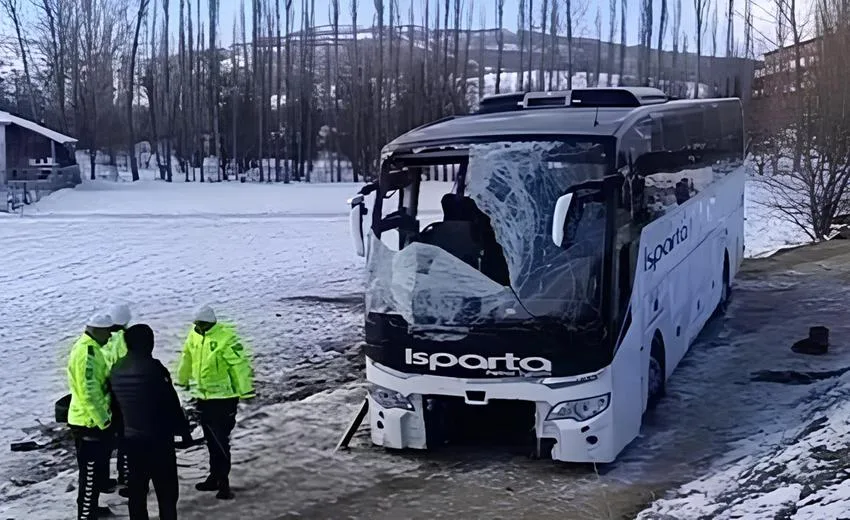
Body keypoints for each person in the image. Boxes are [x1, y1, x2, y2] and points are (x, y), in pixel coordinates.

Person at [110, 324, 193, 520]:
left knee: (137, 492)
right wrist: (184, 432)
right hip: (159, 440)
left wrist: (119, 436)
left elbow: (115, 407)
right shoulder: (155, 368)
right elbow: (171, 403)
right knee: (167, 492)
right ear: (149, 343)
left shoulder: (116, 369)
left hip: (132, 440)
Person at [176, 305, 254, 500]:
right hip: (203, 397)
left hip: (224, 398)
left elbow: (240, 365)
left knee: (220, 440)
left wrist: (246, 390)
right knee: (211, 440)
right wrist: (182, 379)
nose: (199, 327)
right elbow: (187, 356)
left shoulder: (226, 338)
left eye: (202, 324)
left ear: (211, 322)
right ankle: (214, 477)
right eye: (196, 324)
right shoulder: (194, 335)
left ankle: (223, 482)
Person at [67, 313, 115, 519]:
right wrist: (104, 421)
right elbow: (89, 393)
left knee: (95, 472)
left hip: (90, 419)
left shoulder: (90, 348)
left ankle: (92, 507)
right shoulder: (87, 353)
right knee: (89, 473)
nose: (110, 336)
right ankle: (86, 514)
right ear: (96, 330)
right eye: (108, 332)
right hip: (88, 422)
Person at [105, 303, 132, 492]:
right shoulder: (125, 340)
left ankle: (105, 479)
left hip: (107, 394)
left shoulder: (102, 340)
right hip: (123, 394)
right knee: (126, 438)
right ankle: (126, 475)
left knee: (109, 440)